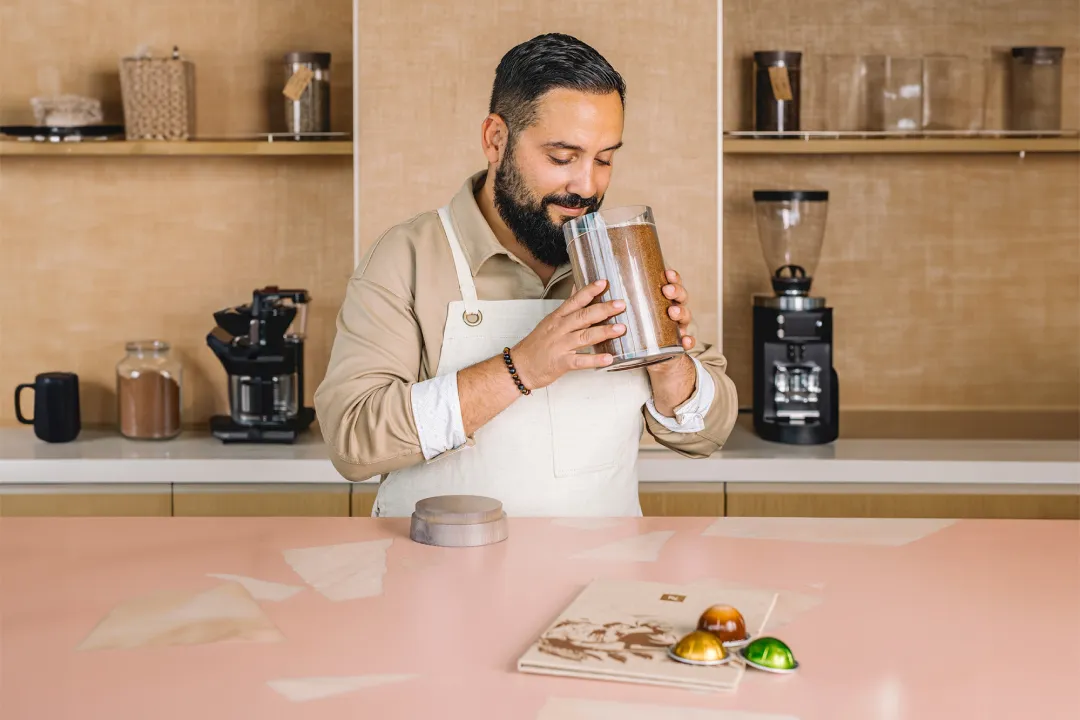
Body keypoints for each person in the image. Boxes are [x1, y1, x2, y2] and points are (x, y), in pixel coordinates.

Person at [315, 33, 738, 517]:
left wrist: (669, 363)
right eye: (562, 158)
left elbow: (709, 433)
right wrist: (520, 369)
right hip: (440, 579)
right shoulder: (406, 258)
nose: (587, 185)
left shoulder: (621, 256)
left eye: (604, 159)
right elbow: (352, 442)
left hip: (603, 579)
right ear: (496, 139)